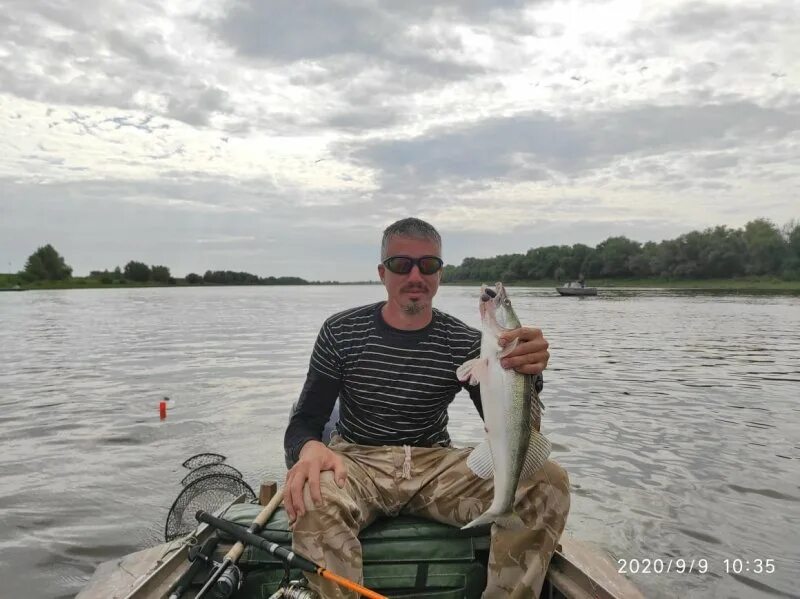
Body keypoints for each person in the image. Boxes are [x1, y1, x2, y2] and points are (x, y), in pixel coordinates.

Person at [283, 218, 570, 598]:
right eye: (403, 265)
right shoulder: (341, 332)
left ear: (440, 274)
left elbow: (511, 430)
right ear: (383, 273)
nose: (416, 275)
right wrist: (310, 447)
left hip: (434, 466)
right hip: (358, 461)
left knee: (547, 480)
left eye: (428, 265)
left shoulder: (465, 341)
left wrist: (528, 375)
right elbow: (305, 420)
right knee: (311, 494)